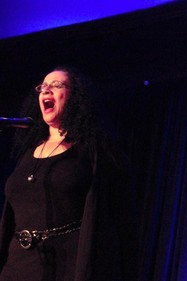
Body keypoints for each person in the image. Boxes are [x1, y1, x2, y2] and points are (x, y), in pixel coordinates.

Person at [0, 66, 137, 280]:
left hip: (67, 265)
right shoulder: (27, 152)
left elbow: (118, 218)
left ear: (75, 98)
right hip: (17, 265)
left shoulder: (92, 153)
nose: (46, 91)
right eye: (43, 87)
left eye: (56, 85)